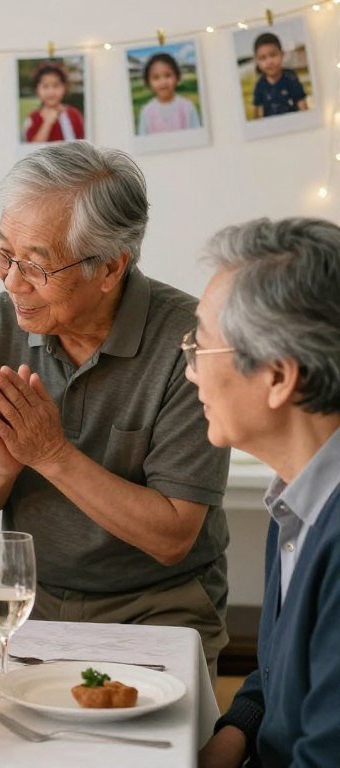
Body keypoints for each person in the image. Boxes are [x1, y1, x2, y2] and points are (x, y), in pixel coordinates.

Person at [0, 142, 231, 677]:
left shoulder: (190, 338)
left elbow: (172, 537)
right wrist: (3, 463)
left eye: (35, 264)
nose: (11, 280)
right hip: (30, 604)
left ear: (111, 267)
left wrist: (50, 453)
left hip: (159, 610)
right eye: (3, 253)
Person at [192, 219, 340, 768]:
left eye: (200, 349)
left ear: (278, 376)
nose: (191, 375)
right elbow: (279, 673)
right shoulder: (297, 499)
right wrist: (231, 739)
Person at [137, 52, 201, 135]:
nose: (163, 82)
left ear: (177, 77)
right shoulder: (146, 112)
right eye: (156, 77)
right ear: (148, 82)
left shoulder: (188, 107)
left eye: (168, 75)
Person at [23, 61, 84, 142]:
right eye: (45, 86)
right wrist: (47, 123)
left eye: (56, 86)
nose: (51, 92)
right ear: (37, 90)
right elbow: (32, 149)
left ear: (64, 87)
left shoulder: (74, 114)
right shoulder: (34, 118)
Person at [251, 31, 308, 118]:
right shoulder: (260, 85)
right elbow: (258, 112)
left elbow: (301, 103)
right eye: (263, 58)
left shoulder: (291, 78)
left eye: (273, 55)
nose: (269, 62)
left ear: (282, 54)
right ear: (257, 61)